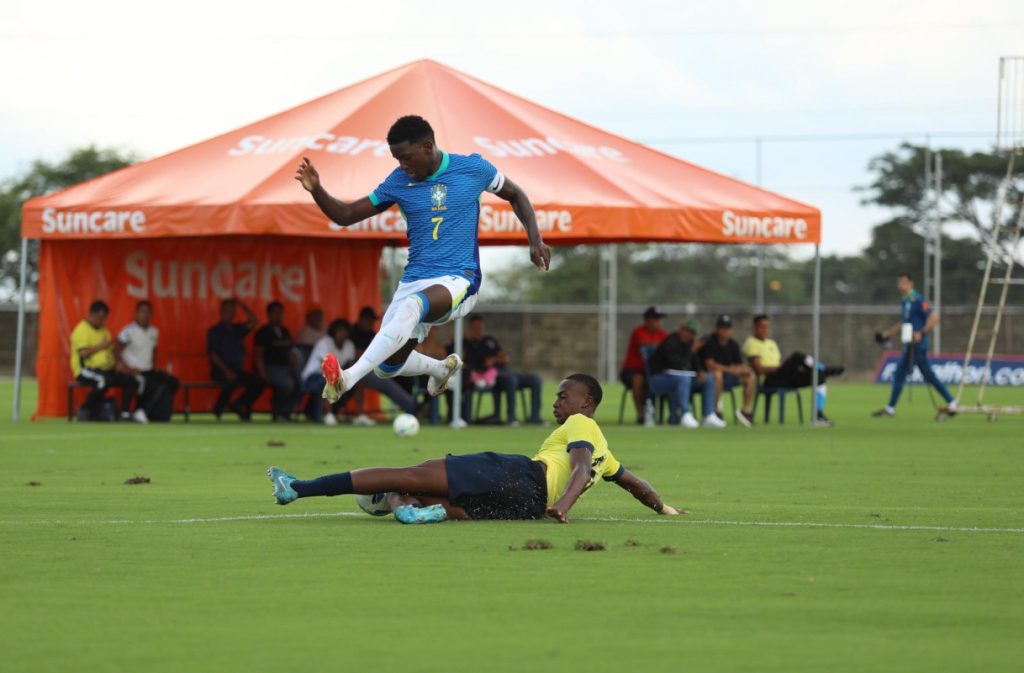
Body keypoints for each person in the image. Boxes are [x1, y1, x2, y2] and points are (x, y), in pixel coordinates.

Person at [295, 115, 551, 405]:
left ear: (427, 147)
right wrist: (316, 189)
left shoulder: (473, 168)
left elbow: (516, 194)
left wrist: (535, 239)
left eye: (405, 157)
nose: (402, 165)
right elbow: (346, 214)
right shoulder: (398, 181)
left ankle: (347, 378)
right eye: (396, 158)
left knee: (412, 306)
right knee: (386, 366)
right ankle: (440, 368)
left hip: (459, 279)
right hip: (414, 278)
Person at [267, 374, 685, 524]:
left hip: (524, 476)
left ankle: (298, 488)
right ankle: (419, 511)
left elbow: (577, 470)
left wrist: (566, 506)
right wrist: (663, 508)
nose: (557, 403)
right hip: (526, 507)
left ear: (587, 403)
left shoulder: (582, 424)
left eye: (563, 396)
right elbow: (634, 485)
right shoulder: (607, 455)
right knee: (446, 502)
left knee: (410, 474)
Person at [872, 273, 957, 418]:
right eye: (900, 283)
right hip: (908, 345)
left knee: (928, 375)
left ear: (911, 283)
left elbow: (934, 318)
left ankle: (953, 403)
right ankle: (890, 409)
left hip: (918, 346)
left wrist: (921, 333)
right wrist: (888, 334)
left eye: (905, 282)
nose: (902, 286)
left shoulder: (918, 300)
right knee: (901, 374)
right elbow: (904, 322)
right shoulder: (905, 301)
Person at [742, 314, 845, 426]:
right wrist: (778, 367)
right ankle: (824, 368)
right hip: (769, 379)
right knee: (797, 357)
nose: (765, 330)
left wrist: (782, 367)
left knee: (818, 377)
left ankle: (818, 415)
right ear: (755, 327)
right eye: (762, 327)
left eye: (767, 327)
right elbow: (759, 369)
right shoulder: (751, 343)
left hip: (783, 377)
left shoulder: (771, 343)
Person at [347, 305, 428, 426]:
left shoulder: (372, 333)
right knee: (386, 382)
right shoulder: (354, 333)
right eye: (369, 320)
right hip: (359, 369)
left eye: (373, 320)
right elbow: (356, 356)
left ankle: (416, 406)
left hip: (374, 366)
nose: (371, 323)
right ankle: (414, 407)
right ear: (362, 319)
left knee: (400, 372)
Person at [70, 300, 144, 422]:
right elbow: (83, 353)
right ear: (92, 314)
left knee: (131, 381)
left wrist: (119, 366)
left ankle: (125, 413)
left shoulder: (104, 330)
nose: (103, 321)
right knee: (103, 381)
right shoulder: (81, 329)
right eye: (100, 317)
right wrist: (100, 346)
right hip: (85, 370)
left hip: (106, 369)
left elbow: (110, 352)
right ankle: (85, 410)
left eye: (105, 318)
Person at [463, 315, 544, 425]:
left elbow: (505, 358)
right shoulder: (466, 344)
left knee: (535, 379)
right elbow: (470, 363)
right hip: (488, 376)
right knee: (511, 380)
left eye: (480, 326)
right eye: (475, 327)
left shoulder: (490, 340)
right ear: (470, 328)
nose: (479, 329)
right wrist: (491, 361)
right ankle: (511, 418)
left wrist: (492, 359)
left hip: (504, 371)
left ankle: (535, 417)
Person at [647, 319, 724, 428]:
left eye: (693, 333)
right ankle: (685, 414)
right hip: (660, 379)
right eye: (688, 332)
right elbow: (677, 366)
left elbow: (694, 363)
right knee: (683, 378)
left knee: (709, 378)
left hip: (682, 380)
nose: (690, 335)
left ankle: (708, 414)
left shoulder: (690, 343)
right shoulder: (670, 342)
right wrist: (691, 350)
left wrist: (700, 371)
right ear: (681, 330)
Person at [114, 299, 180, 421]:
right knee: (143, 384)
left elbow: (154, 350)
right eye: (142, 312)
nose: (145, 315)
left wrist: (155, 367)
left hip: (148, 369)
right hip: (133, 370)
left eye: (148, 312)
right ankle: (133, 412)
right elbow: (116, 349)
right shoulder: (129, 330)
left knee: (172, 382)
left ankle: (150, 410)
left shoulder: (154, 331)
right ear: (137, 313)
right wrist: (124, 367)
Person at [207, 298, 265, 421]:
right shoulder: (215, 331)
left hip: (237, 369)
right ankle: (219, 407)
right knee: (231, 381)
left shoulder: (237, 329)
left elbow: (254, 321)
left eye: (233, 311)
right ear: (222, 312)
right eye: (228, 310)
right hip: (221, 370)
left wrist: (243, 306)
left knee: (259, 382)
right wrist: (226, 371)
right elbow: (213, 354)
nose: (231, 313)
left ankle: (240, 404)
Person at [699, 314, 756, 427]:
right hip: (711, 378)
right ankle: (715, 410)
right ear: (717, 328)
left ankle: (746, 411)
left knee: (750, 375)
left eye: (728, 328)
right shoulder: (709, 341)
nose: (725, 331)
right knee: (717, 374)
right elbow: (710, 364)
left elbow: (738, 365)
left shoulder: (733, 344)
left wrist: (743, 370)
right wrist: (731, 370)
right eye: (723, 328)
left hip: (729, 378)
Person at [300, 319, 356, 425]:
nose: (343, 334)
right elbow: (327, 367)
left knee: (355, 381)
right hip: (312, 377)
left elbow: (351, 365)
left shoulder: (349, 345)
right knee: (329, 378)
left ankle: (359, 416)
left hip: (337, 376)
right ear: (334, 331)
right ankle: (328, 415)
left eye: (345, 331)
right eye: (340, 331)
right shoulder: (324, 342)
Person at [254, 301, 303, 422]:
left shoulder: (285, 331)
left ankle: (285, 410)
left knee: (302, 382)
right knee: (287, 384)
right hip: (271, 367)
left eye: (280, 313)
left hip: (286, 368)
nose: (278, 315)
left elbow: (290, 352)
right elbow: (258, 355)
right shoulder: (263, 332)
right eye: (275, 313)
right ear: (269, 314)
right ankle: (278, 409)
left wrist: (295, 369)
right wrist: (263, 374)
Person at [619, 306, 669, 424]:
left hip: (654, 372)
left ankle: (672, 415)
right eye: (655, 319)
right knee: (638, 379)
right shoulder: (639, 332)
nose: (658, 322)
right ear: (647, 320)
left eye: (659, 319)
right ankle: (641, 413)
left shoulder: (663, 334)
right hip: (632, 371)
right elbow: (647, 346)